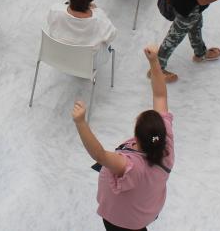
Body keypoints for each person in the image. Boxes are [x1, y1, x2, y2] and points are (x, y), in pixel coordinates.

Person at [73, 44, 174, 229]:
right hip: (144, 210)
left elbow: (100, 156)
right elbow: (160, 95)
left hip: (122, 222)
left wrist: (81, 123)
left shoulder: (131, 166)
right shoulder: (165, 143)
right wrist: (154, 62)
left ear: (137, 137)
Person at [46, 0, 117, 49]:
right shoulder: (99, 19)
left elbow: (50, 23)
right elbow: (112, 35)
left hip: (56, 55)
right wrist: (96, 11)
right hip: (87, 60)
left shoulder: (56, 10)